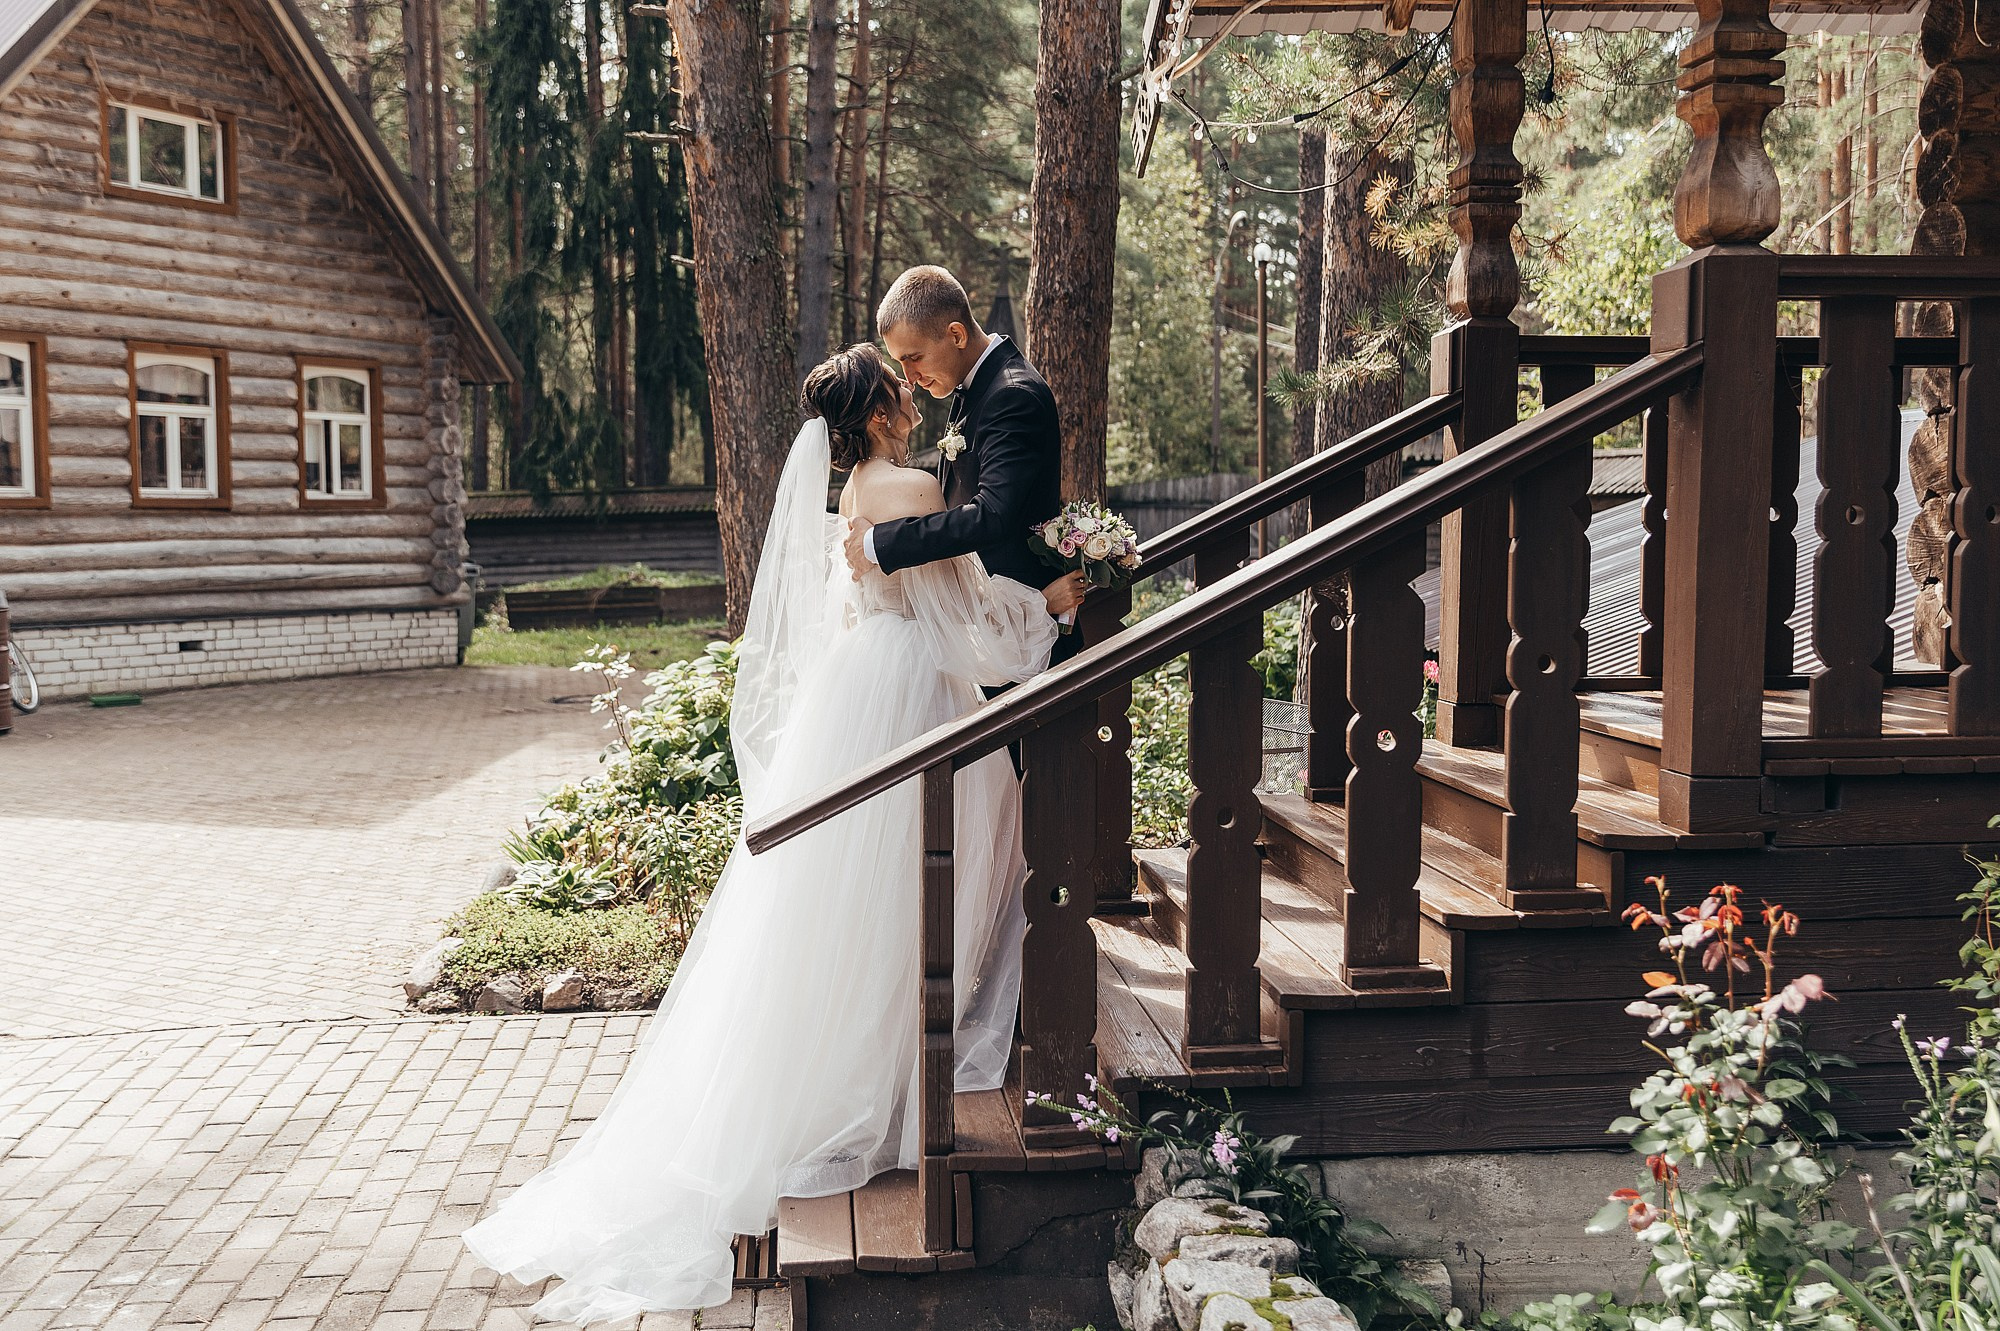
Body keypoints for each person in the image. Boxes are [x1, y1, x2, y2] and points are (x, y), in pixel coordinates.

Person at [458, 344, 1087, 1324]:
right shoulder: (912, 483)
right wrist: (1049, 607)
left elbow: (875, 599)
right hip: (915, 687)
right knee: (953, 853)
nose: (912, 403)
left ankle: (875, 1058)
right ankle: (908, 1069)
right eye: (898, 392)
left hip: (860, 692)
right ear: (879, 411)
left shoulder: (851, 492)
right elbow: (969, 621)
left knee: (856, 893)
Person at [844, 265, 1084, 654]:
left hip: (1026, 639)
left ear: (955, 334)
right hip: (986, 628)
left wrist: (878, 543)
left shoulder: (1012, 395)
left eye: (914, 357)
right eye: (900, 363)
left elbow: (991, 515)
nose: (909, 378)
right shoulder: (973, 388)